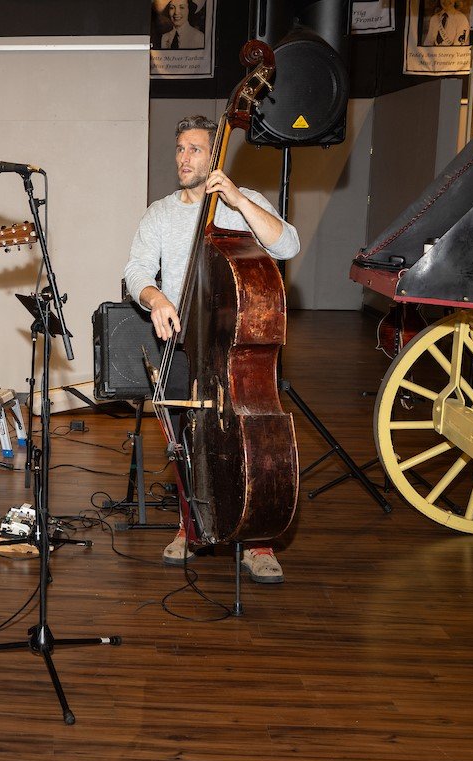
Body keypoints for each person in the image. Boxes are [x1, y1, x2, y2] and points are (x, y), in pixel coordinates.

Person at [123, 114, 300, 584]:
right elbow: (136, 270)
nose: (184, 158)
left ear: (214, 155)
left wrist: (239, 200)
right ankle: (191, 525)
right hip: (184, 346)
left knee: (248, 441)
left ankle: (256, 539)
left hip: (236, 347)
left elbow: (288, 245)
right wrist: (156, 298)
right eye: (180, 148)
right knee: (185, 442)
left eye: (195, 149)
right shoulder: (161, 213)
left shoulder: (243, 202)